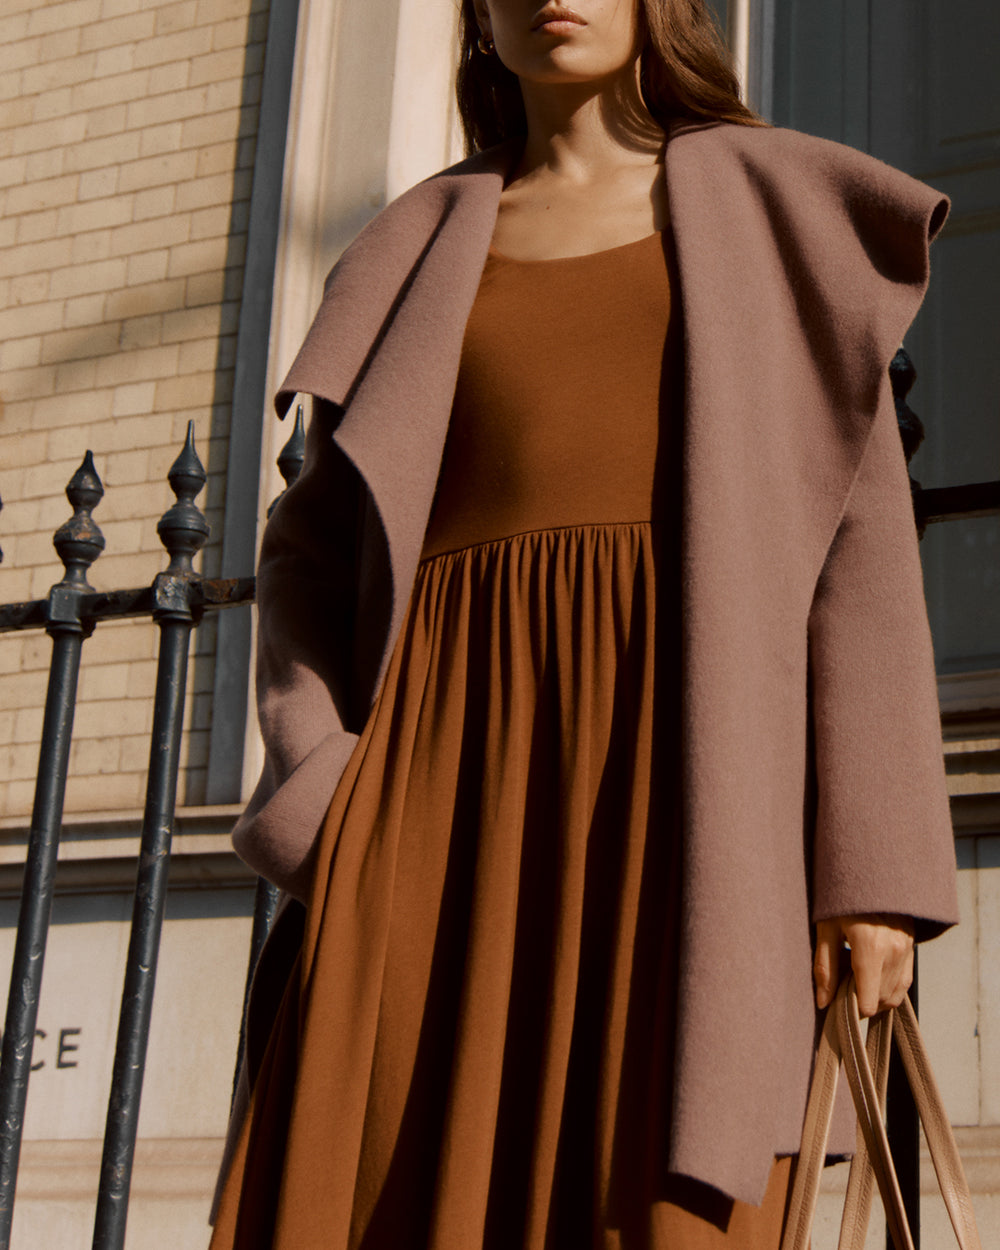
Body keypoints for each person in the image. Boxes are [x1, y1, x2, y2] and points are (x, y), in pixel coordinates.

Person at [210, 2, 960, 1246]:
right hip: (426, 805)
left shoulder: (768, 206)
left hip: (688, 793)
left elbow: (857, 548)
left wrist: (872, 872)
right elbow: (308, 546)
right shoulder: (419, 242)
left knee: (664, 1202)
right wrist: (324, 790)